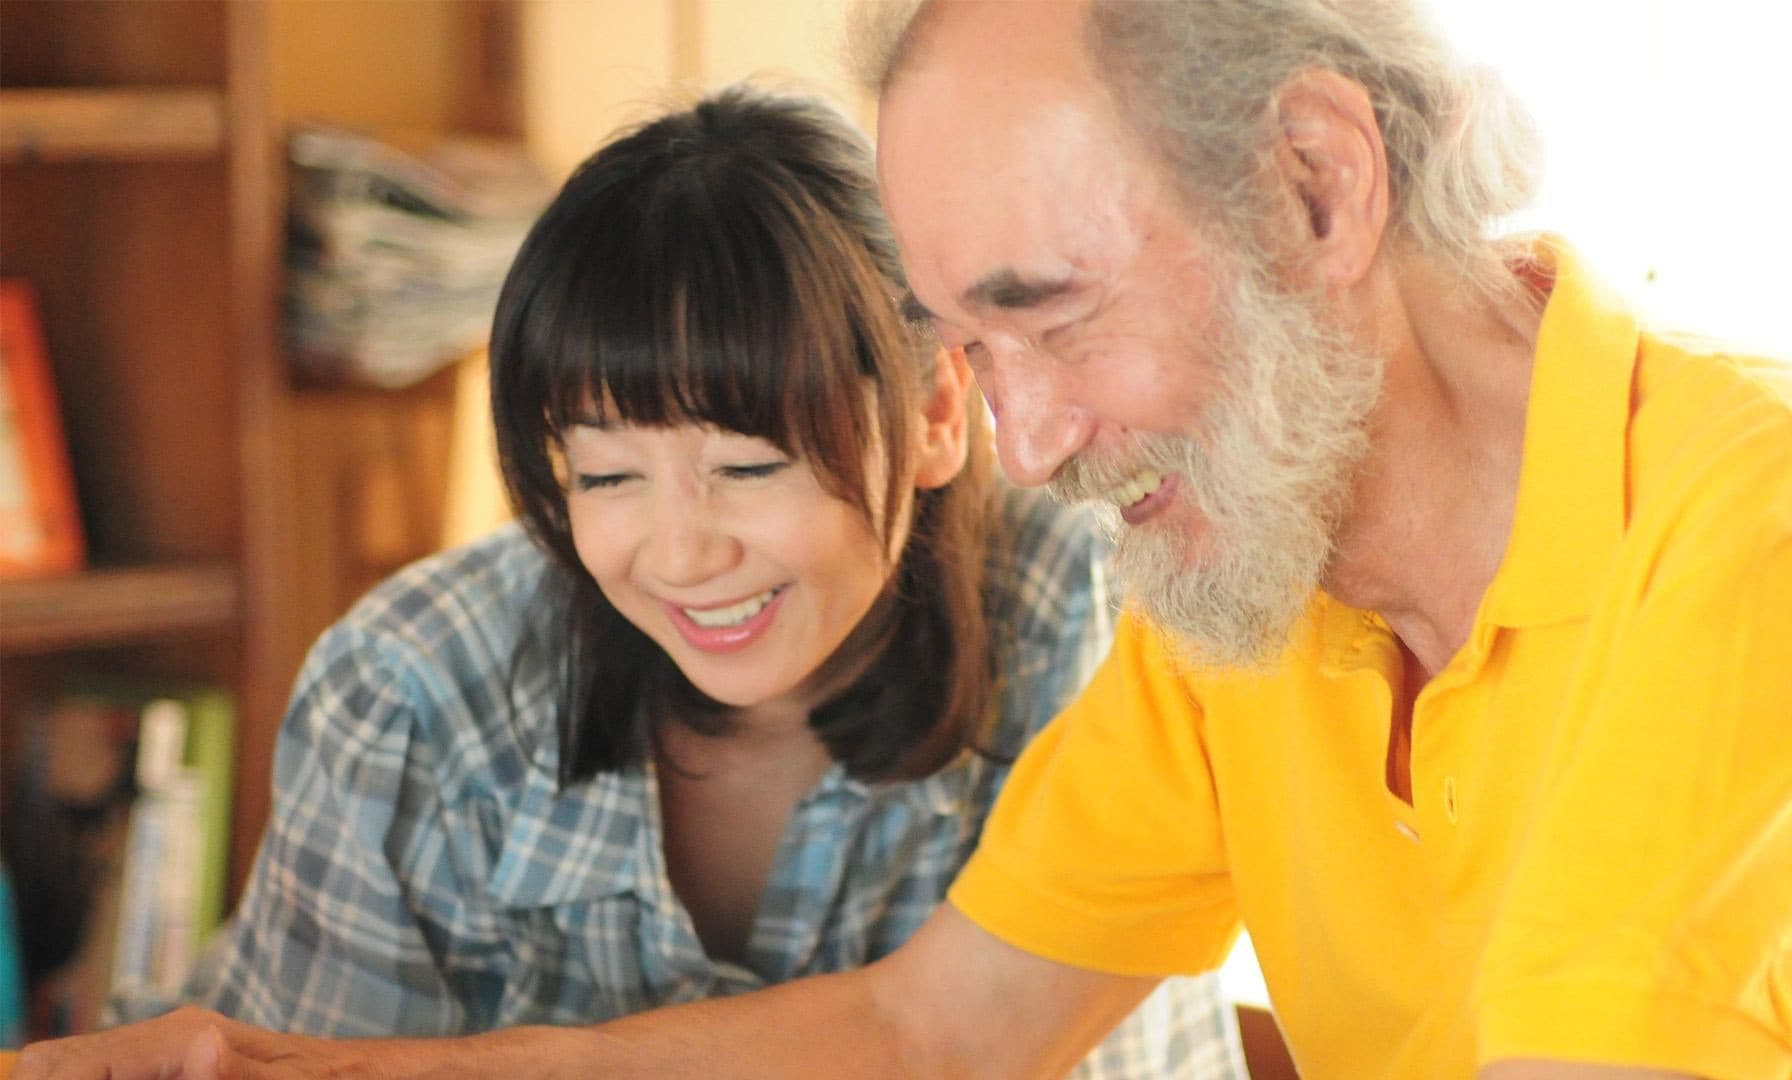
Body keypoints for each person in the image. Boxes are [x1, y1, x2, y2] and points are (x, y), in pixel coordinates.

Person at [20, 1, 1792, 1078]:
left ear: (1319, 186)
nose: (1019, 443)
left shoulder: (1763, 501)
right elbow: (934, 1034)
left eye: (1055, 313)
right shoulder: (1242, 568)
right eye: (969, 346)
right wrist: (289, 1075)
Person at [16, 84, 1245, 1078]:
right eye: (605, 479)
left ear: (934, 410)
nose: (679, 552)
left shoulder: (1107, 633)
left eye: (747, 465)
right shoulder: (417, 688)